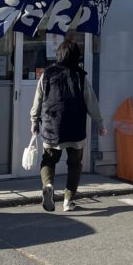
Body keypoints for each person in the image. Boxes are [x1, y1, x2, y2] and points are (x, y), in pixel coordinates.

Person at [30, 39, 106, 212]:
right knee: (74, 164)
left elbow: (38, 100)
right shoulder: (80, 76)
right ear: (76, 56)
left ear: (59, 55)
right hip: (75, 128)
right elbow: (91, 101)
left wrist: (34, 121)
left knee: (49, 160)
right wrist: (100, 122)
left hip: (52, 127)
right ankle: (68, 201)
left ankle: (48, 185)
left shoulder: (47, 74)